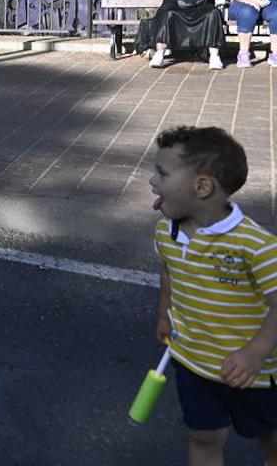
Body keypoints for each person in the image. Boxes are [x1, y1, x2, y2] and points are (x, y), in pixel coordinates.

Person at [150, 126, 277, 465]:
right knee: (203, 437)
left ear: (202, 187)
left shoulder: (256, 246)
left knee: (271, 436)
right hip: (193, 362)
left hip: (253, 373)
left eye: (162, 173)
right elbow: (169, 272)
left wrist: (255, 352)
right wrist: (165, 314)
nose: (152, 182)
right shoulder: (166, 231)